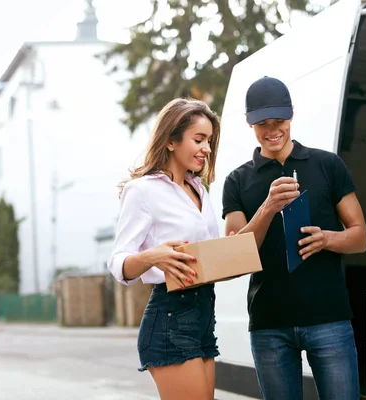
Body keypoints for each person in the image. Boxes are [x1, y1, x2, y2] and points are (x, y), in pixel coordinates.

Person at [222, 76, 366, 400]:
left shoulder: (328, 165)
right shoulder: (236, 181)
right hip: (268, 324)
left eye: (280, 120)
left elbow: (361, 237)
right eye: (263, 123)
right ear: (250, 124)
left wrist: (328, 240)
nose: (273, 129)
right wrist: (267, 208)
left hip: (329, 318)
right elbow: (231, 261)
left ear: (292, 115)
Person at [108, 98, 222, 400]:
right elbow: (118, 262)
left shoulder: (199, 189)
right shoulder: (142, 190)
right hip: (171, 317)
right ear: (171, 140)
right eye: (198, 140)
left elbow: (209, 254)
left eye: (209, 141)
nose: (206, 149)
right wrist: (153, 256)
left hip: (203, 315)